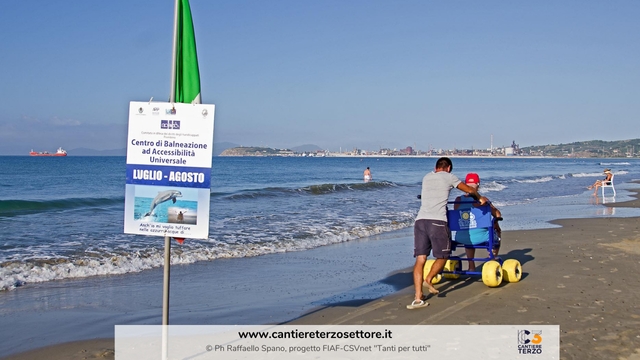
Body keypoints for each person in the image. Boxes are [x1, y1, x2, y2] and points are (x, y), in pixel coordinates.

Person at [408, 157, 488, 310]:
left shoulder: (426, 177)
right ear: (449, 168)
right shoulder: (449, 176)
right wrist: (480, 198)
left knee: (420, 258)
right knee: (444, 255)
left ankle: (418, 297)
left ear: (435, 167)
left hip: (420, 221)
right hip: (437, 221)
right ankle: (429, 279)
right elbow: (468, 190)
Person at [453, 173, 502, 271]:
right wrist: (496, 223)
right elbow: (497, 214)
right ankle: (492, 259)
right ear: (478, 186)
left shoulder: (458, 200)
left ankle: (471, 266)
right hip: (481, 237)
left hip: (461, 237)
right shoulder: (483, 200)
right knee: (497, 232)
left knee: (468, 231)